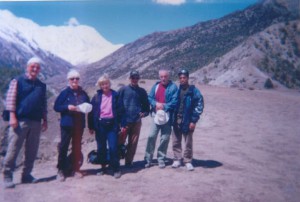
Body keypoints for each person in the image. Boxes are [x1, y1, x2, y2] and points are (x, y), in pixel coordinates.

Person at [2, 57, 48, 189]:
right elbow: (10, 99)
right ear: (27, 67)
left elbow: (43, 104)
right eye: (32, 66)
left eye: (37, 67)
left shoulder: (41, 85)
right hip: (20, 120)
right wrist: (12, 116)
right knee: (14, 148)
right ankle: (7, 175)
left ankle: (26, 175)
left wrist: (45, 119)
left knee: (32, 150)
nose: (35, 69)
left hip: (36, 121)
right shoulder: (18, 81)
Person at [54, 69, 90, 181]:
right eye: (72, 78)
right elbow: (56, 107)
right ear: (68, 80)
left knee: (77, 147)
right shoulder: (64, 93)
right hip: (67, 124)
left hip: (79, 125)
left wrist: (85, 108)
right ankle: (61, 170)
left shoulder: (83, 93)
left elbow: (88, 105)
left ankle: (75, 169)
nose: (75, 80)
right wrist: (66, 107)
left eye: (77, 78)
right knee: (63, 147)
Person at [88, 74, 121, 179]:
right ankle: (103, 168)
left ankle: (116, 168)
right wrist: (91, 126)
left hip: (112, 125)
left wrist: (122, 124)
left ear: (109, 83)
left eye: (106, 83)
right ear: (100, 86)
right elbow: (91, 112)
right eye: (102, 84)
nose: (104, 86)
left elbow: (121, 110)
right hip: (100, 125)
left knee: (113, 147)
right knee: (101, 148)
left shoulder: (115, 95)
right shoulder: (97, 97)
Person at [144, 69, 178, 168]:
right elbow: (150, 98)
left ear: (168, 77)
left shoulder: (173, 87)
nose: (163, 78)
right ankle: (148, 158)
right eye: (161, 76)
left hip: (167, 116)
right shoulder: (156, 86)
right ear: (159, 77)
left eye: (165, 76)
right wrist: (155, 104)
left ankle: (161, 158)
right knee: (151, 136)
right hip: (156, 115)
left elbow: (175, 101)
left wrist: (164, 106)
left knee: (165, 138)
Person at [171, 69, 204, 171]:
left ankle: (188, 161)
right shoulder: (177, 90)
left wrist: (193, 120)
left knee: (188, 142)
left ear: (188, 78)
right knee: (176, 140)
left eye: (184, 77)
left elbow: (199, 105)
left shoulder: (193, 91)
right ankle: (177, 159)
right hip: (177, 119)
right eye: (180, 78)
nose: (182, 80)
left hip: (188, 120)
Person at [118, 70, 150, 167]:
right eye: (133, 77)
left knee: (133, 143)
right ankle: (115, 162)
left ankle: (128, 162)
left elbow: (146, 107)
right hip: (124, 121)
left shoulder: (142, 91)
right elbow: (116, 104)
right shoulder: (123, 90)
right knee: (119, 142)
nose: (135, 79)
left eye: (136, 78)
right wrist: (119, 119)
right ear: (130, 78)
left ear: (138, 79)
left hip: (136, 121)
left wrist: (144, 113)